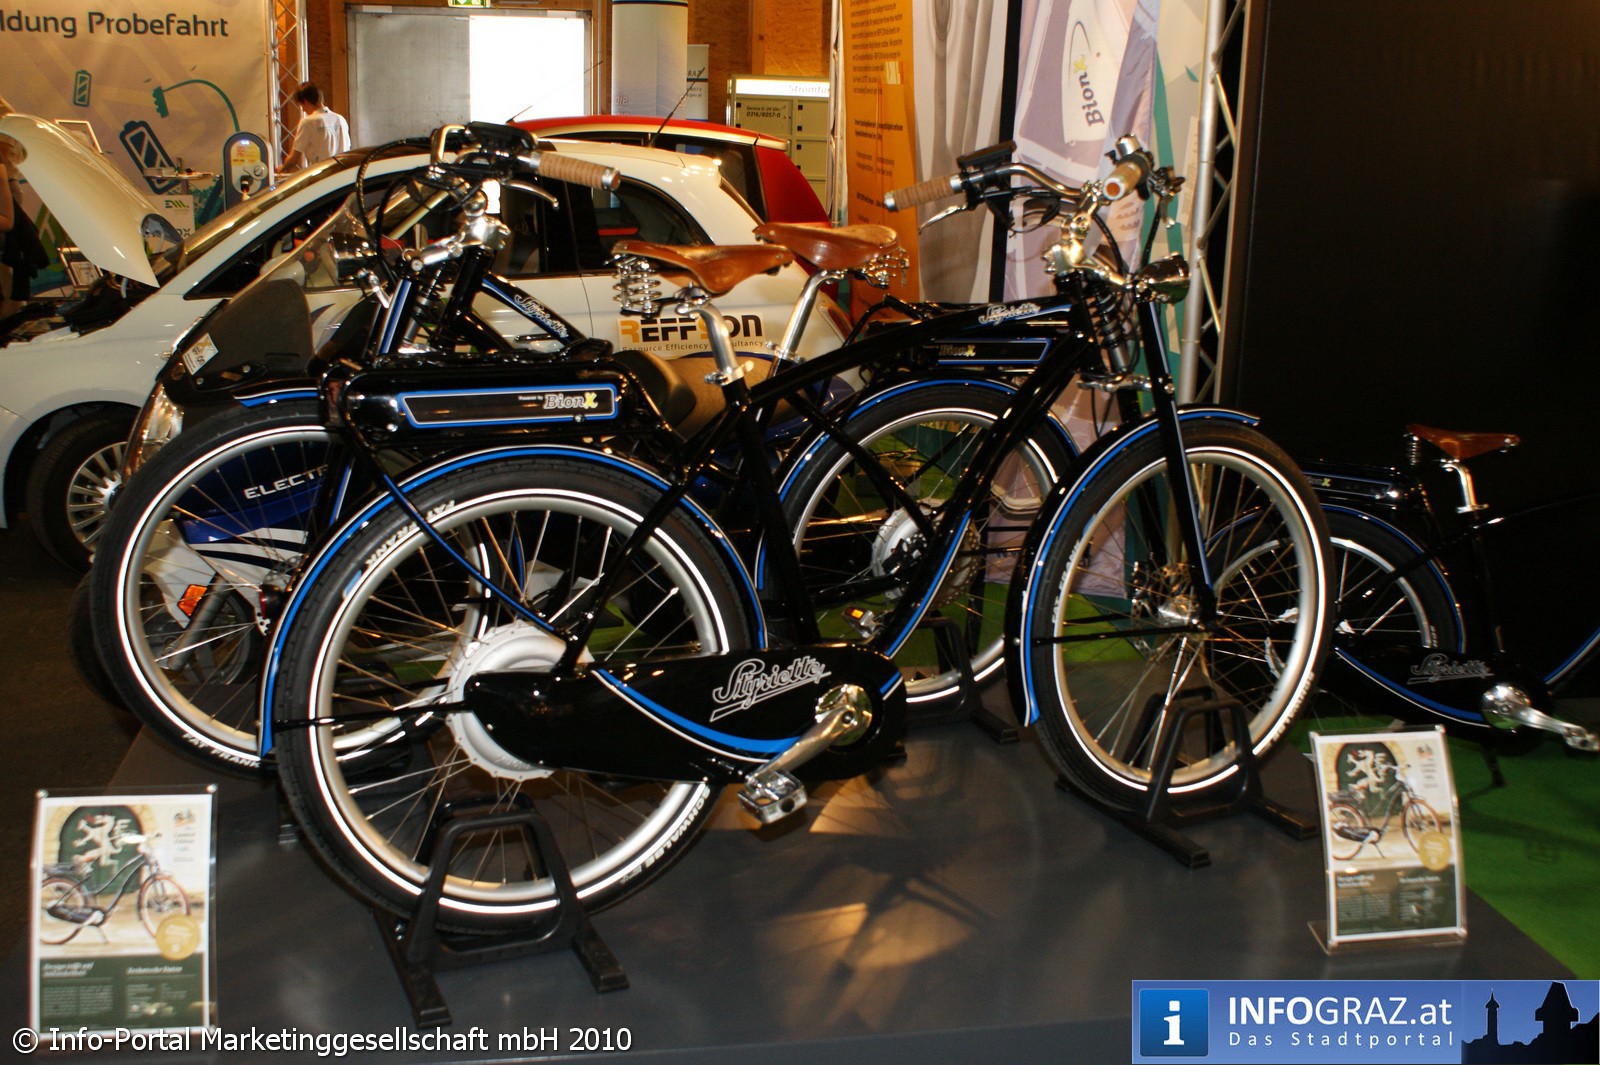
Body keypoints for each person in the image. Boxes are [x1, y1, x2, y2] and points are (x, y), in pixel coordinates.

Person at [281, 82, 350, 171]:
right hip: (343, 173)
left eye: (302, 106)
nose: (304, 110)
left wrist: (281, 168)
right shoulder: (340, 119)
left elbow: (293, 158)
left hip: (323, 174)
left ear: (306, 102)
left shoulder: (308, 122)